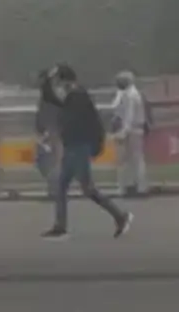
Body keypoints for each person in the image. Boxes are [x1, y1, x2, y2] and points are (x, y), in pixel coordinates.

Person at [42, 65, 131, 239]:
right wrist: (47, 81)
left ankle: (120, 216)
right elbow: (51, 98)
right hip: (72, 147)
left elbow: (83, 122)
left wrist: (93, 144)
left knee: (88, 189)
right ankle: (60, 226)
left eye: (58, 81)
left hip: (79, 147)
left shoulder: (78, 96)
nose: (57, 85)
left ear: (65, 80)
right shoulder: (72, 96)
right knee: (61, 187)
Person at [111, 71, 149, 197]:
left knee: (126, 160)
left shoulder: (130, 95)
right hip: (135, 129)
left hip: (130, 129)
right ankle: (138, 186)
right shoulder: (130, 94)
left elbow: (129, 115)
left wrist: (124, 131)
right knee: (136, 160)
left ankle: (129, 187)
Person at [34, 67, 63, 189]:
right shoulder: (52, 95)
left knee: (52, 156)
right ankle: (55, 184)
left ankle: (54, 184)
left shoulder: (46, 95)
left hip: (50, 128)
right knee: (55, 156)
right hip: (53, 128)